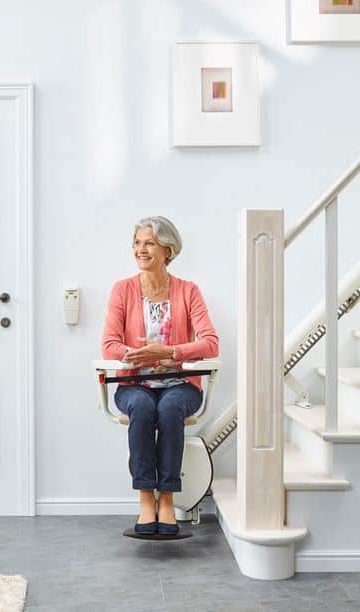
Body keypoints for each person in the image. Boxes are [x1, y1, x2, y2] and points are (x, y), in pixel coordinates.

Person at [101, 216, 219, 536]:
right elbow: (109, 344)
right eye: (137, 242)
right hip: (134, 383)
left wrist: (168, 354)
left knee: (168, 409)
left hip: (179, 384)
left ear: (167, 249)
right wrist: (137, 355)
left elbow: (210, 342)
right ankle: (145, 498)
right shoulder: (122, 290)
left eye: (149, 242)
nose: (141, 249)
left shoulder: (188, 291)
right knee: (142, 407)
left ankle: (166, 498)